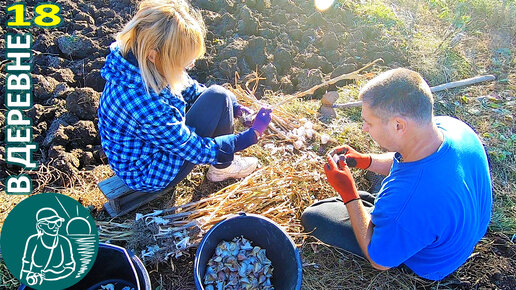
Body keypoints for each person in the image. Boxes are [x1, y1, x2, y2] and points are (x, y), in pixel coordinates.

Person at [301, 68, 492, 280]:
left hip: (431, 261)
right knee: (375, 205)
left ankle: (370, 213)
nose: (364, 128)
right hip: (460, 231)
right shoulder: (451, 127)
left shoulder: (411, 199)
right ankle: (372, 210)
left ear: (398, 125)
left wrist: (348, 192)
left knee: (316, 215)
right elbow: (406, 160)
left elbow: (379, 261)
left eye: (369, 122)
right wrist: (367, 161)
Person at [98, 0, 272, 192]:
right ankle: (223, 168)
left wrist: (237, 109)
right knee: (218, 97)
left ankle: (222, 162)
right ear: (153, 55)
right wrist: (249, 137)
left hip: (152, 146)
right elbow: (194, 148)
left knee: (220, 97)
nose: (187, 68)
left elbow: (190, 89)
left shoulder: (140, 63)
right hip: (149, 173)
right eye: (182, 63)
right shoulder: (142, 100)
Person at [21, 208, 75, 285]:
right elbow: (26, 265)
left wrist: (56, 275)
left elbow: (70, 267)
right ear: (40, 226)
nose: (56, 226)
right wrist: (27, 278)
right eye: (51, 224)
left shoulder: (64, 242)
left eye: (58, 223)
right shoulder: (33, 241)